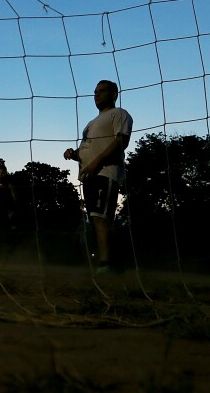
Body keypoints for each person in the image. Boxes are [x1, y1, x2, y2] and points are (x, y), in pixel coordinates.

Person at [63, 80, 133, 274]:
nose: (97, 95)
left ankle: (108, 264)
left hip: (106, 172)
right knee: (95, 219)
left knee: (102, 219)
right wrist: (74, 153)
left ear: (114, 94)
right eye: (95, 92)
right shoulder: (91, 123)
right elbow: (88, 149)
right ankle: (109, 262)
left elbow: (121, 142)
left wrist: (98, 162)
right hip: (89, 176)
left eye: (102, 91)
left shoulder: (119, 114)